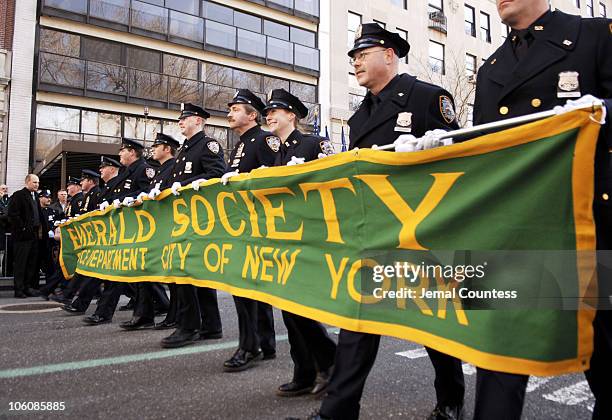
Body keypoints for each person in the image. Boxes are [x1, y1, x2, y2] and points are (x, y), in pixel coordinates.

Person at [292, 23, 463, 420]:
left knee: (435, 325)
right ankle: (338, 410)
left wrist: (436, 148)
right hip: (375, 232)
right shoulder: (359, 117)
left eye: (362, 55)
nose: (355, 63)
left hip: (423, 232)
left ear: (389, 54)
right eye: (352, 58)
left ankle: (450, 401)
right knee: (359, 321)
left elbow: (462, 159)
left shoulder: (427, 98)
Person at [470, 2, 612, 419]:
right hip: (510, 230)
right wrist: (443, 148)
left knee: (602, 351)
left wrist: (602, 110)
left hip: (583, 225)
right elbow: (486, 150)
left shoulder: (595, 35)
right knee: (498, 358)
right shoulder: (491, 67)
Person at [262, 88, 338, 397]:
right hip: (285, 239)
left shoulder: (314, 144)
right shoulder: (277, 153)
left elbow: (337, 180)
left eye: (274, 111)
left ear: (291, 114)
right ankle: (305, 371)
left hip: (312, 238)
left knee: (300, 311)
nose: (269, 115)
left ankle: (329, 363)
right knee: (288, 311)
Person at [159, 102, 225, 348]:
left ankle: (188, 327)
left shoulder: (207, 146)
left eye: (185, 118)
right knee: (196, 275)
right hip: (183, 220)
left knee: (187, 274)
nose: (180, 122)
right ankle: (211, 325)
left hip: (199, 220)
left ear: (198, 120)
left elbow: (218, 174)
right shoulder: (185, 150)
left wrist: (188, 184)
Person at [222, 89, 279, 372]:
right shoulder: (242, 143)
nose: (229, 114)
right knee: (250, 288)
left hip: (258, 226)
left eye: (235, 109)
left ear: (252, 115)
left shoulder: (264, 140)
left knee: (247, 288)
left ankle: (250, 346)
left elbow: (276, 176)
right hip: (243, 224)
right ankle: (264, 343)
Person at [82, 139, 154, 326]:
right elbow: (118, 195)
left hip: (136, 228)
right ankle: (143, 312)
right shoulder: (126, 172)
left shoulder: (144, 169)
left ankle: (139, 315)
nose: (120, 154)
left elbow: (148, 192)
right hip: (122, 228)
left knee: (131, 274)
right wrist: (113, 202)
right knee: (120, 272)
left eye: (122, 151)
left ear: (132, 152)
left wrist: (124, 200)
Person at [120, 133, 178, 331]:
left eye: (157, 146)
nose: (152, 149)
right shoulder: (160, 169)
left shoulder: (172, 167)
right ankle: (144, 314)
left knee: (170, 274)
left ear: (167, 149)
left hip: (166, 226)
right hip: (149, 227)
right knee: (143, 269)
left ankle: (172, 314)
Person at [8, 174, 44, 298]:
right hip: (22, 236)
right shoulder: (18, 195)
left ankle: (27, 287)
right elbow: (12, 214)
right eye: (34, 182)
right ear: (27, 182)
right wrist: (22, 228)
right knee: (21, 264)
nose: (37, 185)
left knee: (31, 263)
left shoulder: (35, 196)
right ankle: (18, 290)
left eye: (38, 182)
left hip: (33, 235)